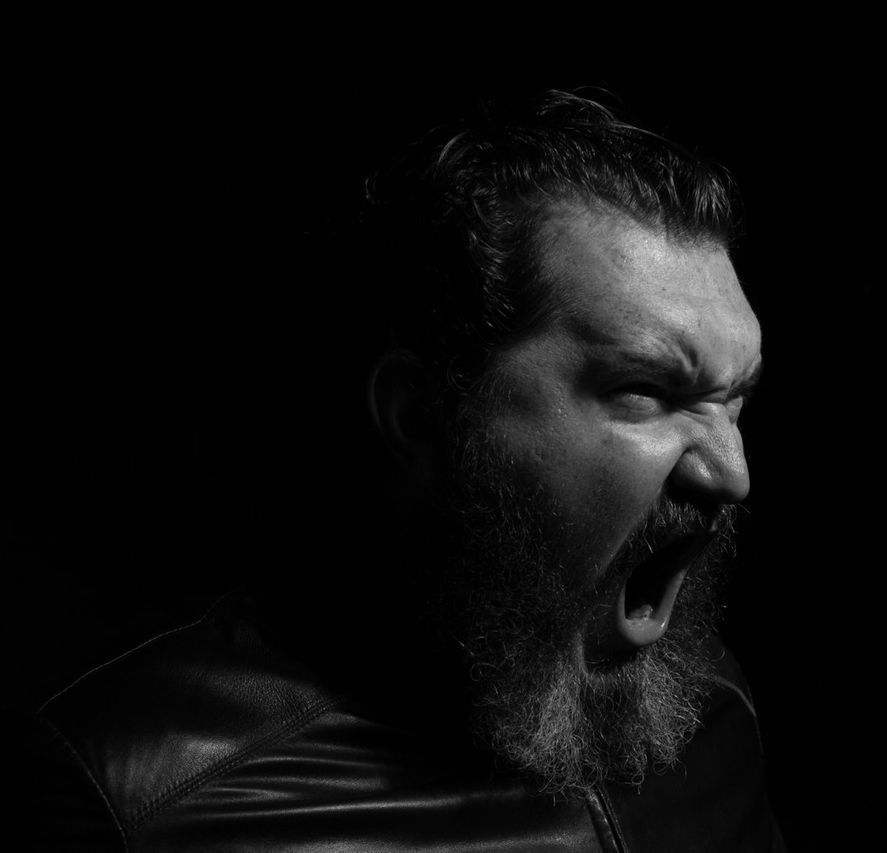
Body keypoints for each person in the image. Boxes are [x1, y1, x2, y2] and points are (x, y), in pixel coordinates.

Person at [12, 90, 786, 851]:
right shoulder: (143, 794)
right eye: (646, 391)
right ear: (422, 413)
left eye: (735, 398)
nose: (732, 473)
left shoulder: (703, 709)